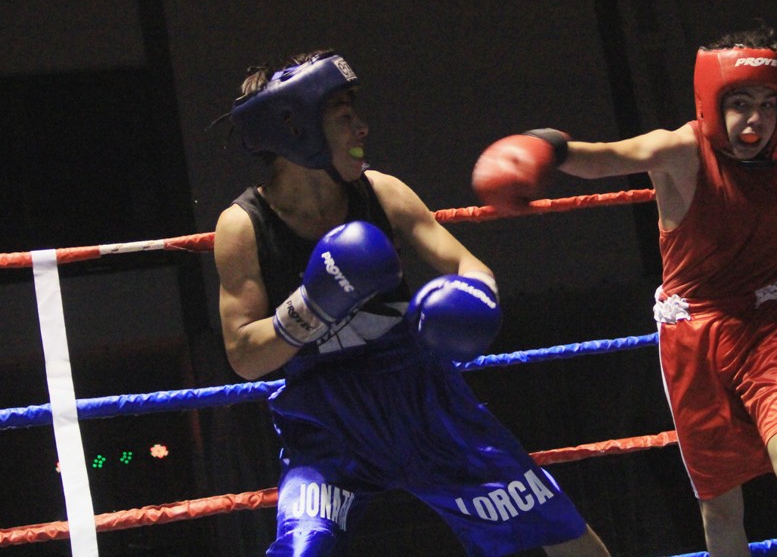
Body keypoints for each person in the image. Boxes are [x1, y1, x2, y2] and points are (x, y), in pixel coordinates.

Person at [471, 25, 777, 557]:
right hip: (691, 332)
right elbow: (606, 156)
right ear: (710, 102)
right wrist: (545, 147)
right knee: (719, 506)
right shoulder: (682, 151)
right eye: (740, 103)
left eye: (769, 104)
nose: (756, 119)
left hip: (766, 322)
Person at [213, 49, 610, 557]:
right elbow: (244, 356)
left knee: (557, 529)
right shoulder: (242, 226)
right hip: (326, 424)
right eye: (344, 118)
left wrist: (468, 299)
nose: (362, 130)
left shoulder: (382, 192)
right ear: (297, 131)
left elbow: (472, 268)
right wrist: (314, 303)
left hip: (425, 403)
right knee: (302, 549)